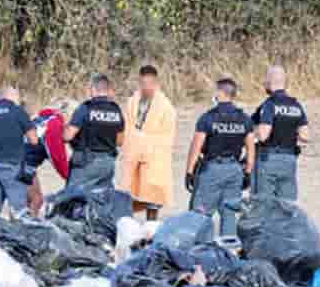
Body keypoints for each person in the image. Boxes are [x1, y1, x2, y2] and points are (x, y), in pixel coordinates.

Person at [185, 77, 255, 237]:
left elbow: (196, 147)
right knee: (229, 214)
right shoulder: (244, 119)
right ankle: (228, 251)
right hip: (234, 169)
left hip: (212, 169)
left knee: (201, 213)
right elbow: (251, 149)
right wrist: (248, 171)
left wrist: (189, 171)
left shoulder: (208, 118)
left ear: (219, 93)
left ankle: (202, 250)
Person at [120, 65, 176, 220]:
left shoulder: (166, 108)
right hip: (132, 157)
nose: (146, 88)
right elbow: (126, 128)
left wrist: (142, 140)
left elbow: (166, 138)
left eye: (150, 84)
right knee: (128, 199)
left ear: (156, 84)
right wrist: (134, 140)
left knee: (153, 200)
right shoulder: (132, 102)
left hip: (154, 160)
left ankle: (151, 231)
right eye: (143, 84)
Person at [251, 65, 309, 200]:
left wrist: (255, 133)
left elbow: (264, 135)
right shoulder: (296, 105)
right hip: (289, 160)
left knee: (262, 205)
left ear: (269, 81)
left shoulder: (269, 104)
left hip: (268, 159)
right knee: (287, 207)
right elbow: (305, 136)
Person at [0, 86, 40, 217]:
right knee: (18, 210)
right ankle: (17, 235)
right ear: (13, 97)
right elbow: (34, 140)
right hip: (11, 166)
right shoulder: (17, 111)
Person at [63, 74, 125, 189]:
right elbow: (120, 141)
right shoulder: (116, 110)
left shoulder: (85, 108)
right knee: (102, 199)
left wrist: (63, 127)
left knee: (71, 198)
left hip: (86, 162)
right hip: (108, 163)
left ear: (93, 89)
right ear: (107, 90)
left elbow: (68, 136)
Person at [24, 100, 73, 216]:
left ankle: (25, 226)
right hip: (23, 164)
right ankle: (28, 229)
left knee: (31, 201)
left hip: (20, 162)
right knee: (36, 200)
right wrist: (70, 176)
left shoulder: (40, 119)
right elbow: (57, 157)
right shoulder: (55, 125)